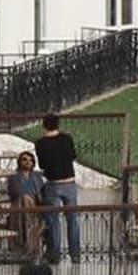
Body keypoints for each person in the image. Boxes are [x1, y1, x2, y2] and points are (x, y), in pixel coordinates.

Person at [35, 113, 81, 264]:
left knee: (54, 220)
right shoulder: (67, 139)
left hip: (53, 183)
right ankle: (75, 254)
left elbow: (41, 165)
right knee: (72, 219)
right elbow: (73, 156)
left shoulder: (40, 143)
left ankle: (55, 254)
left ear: (44, 125)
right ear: (58, 124)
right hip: (69, 182)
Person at [5, 151, 47, 260]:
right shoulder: (14, 177)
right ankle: (21, 249)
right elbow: (14, 194)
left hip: (34, 209)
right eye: (24, 159)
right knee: (23, 199)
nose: (28, 162)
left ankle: (30, 249)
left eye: (30, 160)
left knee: (27, 201)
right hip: (18, 209)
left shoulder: (37, 177)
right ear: (20, 162)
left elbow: (42, 195)